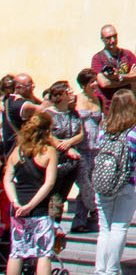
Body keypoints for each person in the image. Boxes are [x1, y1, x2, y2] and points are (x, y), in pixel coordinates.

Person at [85, 90, 136, 275]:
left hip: (104, 183)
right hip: (129, 184)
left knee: (104, 229)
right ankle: (113, 273)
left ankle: (99, 274)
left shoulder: (105, 129)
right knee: (119, 227)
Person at [3, 113, 63, 275]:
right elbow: (49, 183)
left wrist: (16, 203)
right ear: (46, 131)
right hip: (38, 210)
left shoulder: (18, 151)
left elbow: (8, 178)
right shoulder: (48, 151)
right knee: (43, 253)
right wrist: (31, 205)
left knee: (16, 253)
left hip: (18, 210)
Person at [41, 83, 84, 230]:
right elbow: (48, 136)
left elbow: (81, 133)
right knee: (54, 197)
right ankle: (50, 229)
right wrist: (65, 148)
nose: (72, 94)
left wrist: (70, 143)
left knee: (62, 196)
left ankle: (55, 226)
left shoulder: (73, 114)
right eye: (68, 92)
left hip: (71, 162)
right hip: (55, 161)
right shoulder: (48, 114)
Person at [71, 71, 103, 232]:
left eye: (95, 81)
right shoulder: (76, 100)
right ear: (83, 84)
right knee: (85, 184)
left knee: (93, 183)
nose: (95, 84)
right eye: (91, 82)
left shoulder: (98, 99)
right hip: (80, 149)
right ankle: (95, 210)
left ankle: (79, 222)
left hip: (96, 148)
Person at [90, 26, 136, 110]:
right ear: (102, 39)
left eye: (114, 36)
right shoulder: (98, 58)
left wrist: (119, 77)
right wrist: (131, 77)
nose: (113, 40)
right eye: (108, 38)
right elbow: (104, 83)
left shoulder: (126, 54)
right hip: (108, 105)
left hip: (126, 103)